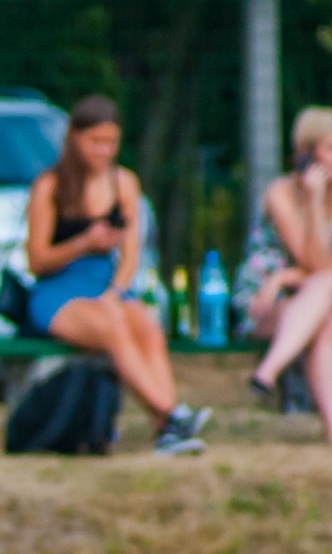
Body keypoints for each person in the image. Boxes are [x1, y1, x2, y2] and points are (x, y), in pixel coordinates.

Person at [25, 94, 211, 455]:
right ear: (74, 138)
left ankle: (168, 430)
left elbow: (131, 253)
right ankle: (170, 415)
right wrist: (83, 243)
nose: (104, 151)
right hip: (59, 291)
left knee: (145, 325)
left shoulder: (123, 183)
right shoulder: (50, 187)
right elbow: (37, 260)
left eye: (111, 142)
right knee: (113, 327)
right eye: (95, 142)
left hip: (105, 287)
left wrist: (117, 289)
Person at [235, 106, 332, 448]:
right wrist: (311, 200)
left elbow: (330, 266)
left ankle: (268, 371)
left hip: (319, 291)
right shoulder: (280, 193)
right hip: (267, 303)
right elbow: (309, 259)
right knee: (325, 318)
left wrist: (285, 277)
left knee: (328, 288)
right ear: (306, 155)